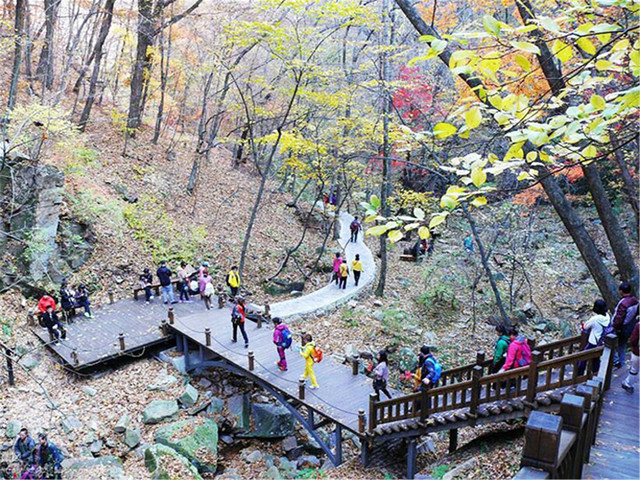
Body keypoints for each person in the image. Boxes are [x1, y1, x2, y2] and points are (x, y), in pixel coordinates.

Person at [577, 299, 611, 376]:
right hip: (602, 342)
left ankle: (579, 375)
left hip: (593, 342)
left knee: (583, 358)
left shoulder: (595, 319)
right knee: (596, 359)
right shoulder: (608, 316)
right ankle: (596, 374)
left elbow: (585, 327)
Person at [612, 281, 639, 368]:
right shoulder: (635, 300)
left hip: (622, 328)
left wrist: (615, 328)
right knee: (622, 345)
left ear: (621, 291)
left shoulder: (623, 303)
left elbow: (619, 318)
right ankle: (622, 362)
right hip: (630, 326)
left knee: (610, 343)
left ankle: (617, 361)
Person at [622, 320, 639, 393]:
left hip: (637, 352)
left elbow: (633, 340)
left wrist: (634, 348)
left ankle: (628, 384)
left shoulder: (638, 325)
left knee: (634, 369)